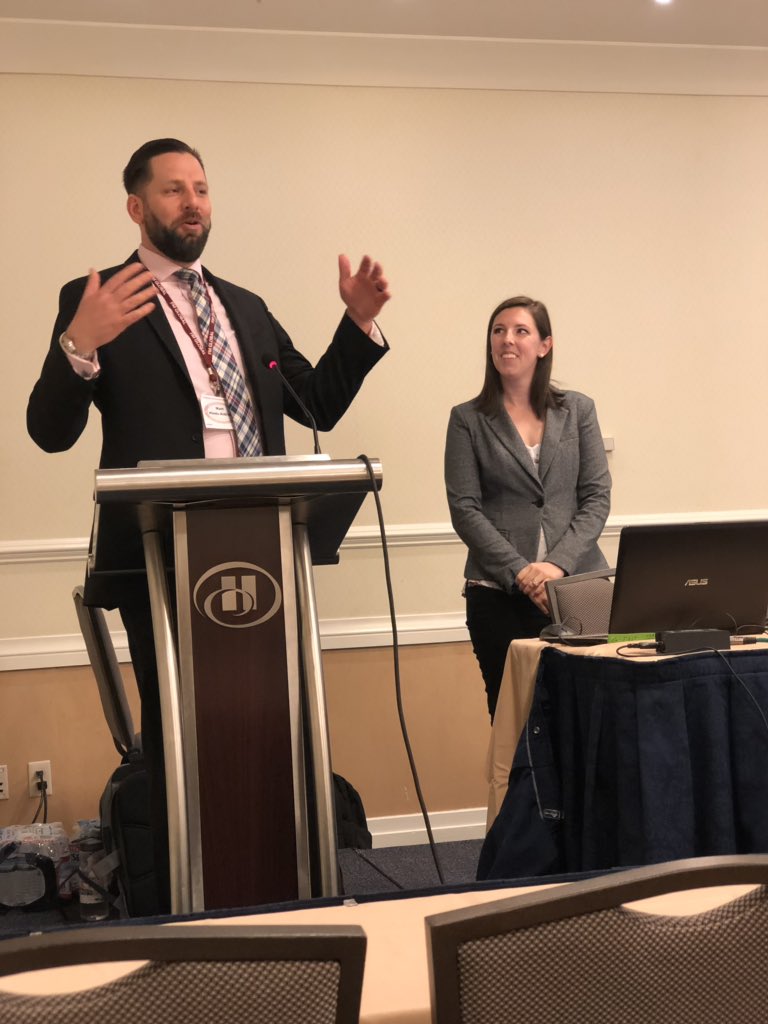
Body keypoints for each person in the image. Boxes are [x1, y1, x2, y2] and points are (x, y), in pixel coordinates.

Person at [27, 138, 391, 911]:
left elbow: (318, 403)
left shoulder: (245, 308)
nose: (192, 202)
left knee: (271, 728)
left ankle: (287, 896)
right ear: (137, 207)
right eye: (173, 190)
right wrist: (79, 344)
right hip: (157, 553)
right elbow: (49, 432)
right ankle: (188, 910)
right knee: (181, 738)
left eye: (201, 188)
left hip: (265, 545)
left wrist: (357, 324)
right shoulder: (99, 299)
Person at [444, 296, 610, 720]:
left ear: (544, 345)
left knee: (588, 716)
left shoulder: (578, 410)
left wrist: (555, 565)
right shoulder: (467, 419)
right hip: (498, 596)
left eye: (521, 331)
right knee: (515, 720)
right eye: (498, 331)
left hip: (577, 589)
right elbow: (465, 509)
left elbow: (596, 497)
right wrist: (523, 573)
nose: (507, 340)